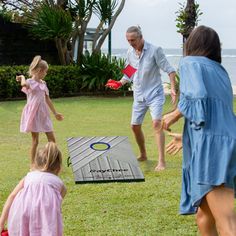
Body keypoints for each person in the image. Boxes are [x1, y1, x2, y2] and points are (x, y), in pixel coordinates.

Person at [162, 25, 236, 235]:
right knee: (204, 217)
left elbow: (198, 96)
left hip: (213, 149)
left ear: (191, 45)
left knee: (227, 222)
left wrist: (174, 115)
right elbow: (214, 114)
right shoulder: (219, 71)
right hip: (223, 143)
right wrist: (186, 137)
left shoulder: (189, 62)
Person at [106, 26, 176, 171]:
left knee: (156, 124)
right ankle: (143, 154)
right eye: (128, 40)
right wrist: (120, 83)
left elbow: (170, 70)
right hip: (139, 96)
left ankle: (161, 161)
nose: (130, 43)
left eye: (133, 40)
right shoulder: (130, 51)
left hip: (155, 95)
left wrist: (173, 89)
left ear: (140, 37)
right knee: (134, 126)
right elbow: (129, 72)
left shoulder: (155, 50)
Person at [0, 142, 67, 236]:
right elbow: (57, 204)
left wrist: (1, 222)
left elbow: (12, 196)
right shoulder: (59, 184)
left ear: (35, 164)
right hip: (45, 220)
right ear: (59, 168)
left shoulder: (28, 177)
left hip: (22, 214)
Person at [16, 55, 64, 165]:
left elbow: (47, 99)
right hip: (33, 114)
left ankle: (52, 162)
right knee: (35, 141)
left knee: (52, 140)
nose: (46, 73)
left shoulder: (43, 83)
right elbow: (23, 84)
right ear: (39, 71)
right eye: (45, 71)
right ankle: (33, 165)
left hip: (43, 113)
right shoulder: (29, 82)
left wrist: (55, 113)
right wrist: (22, 77)